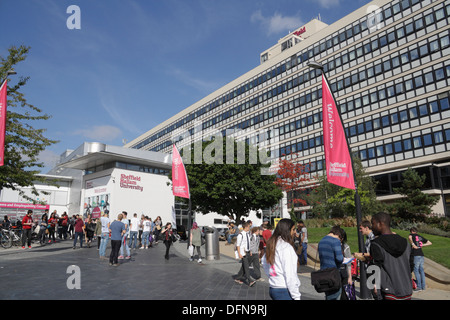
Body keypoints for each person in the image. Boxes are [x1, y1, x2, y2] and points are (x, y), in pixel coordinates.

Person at [370, 212, 413, 300]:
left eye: (373, 223)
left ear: (380, 224)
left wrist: (373, 285)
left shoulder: (376, 244)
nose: (371, 227)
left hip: (388, 292)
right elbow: (411, 265)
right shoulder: (405, 242)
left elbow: (374, 267)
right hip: (406, 290)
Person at [262, 218, 301, 300]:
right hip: (284, 289)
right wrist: (296, 297)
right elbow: (290, 274)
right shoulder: (286, 247)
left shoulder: (273, 243)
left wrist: (272, 275)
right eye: (293, 229)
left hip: (274, 287)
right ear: (287, 230)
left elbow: (264, 261)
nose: (295, 232)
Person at [317, 225, 344, 300]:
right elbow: (339, 258)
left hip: (323, 273)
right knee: (335, 295)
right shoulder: (335, 241)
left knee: (328, 295)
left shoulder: (321, 241)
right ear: (338, 235)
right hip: (333, 274)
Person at [409, 227, 432, 292]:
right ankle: (423, 286)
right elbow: (430, 243)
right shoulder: (420, 237)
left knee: (416, 270)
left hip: (415, 254)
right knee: (421, 270)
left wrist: (413, 244)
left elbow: (410, 238)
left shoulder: (411, 235)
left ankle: (419, 287)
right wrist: (421, 245)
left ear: (412, 231)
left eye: (411, 231)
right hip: (421, 255)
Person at [339, 229, 353, 300]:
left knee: (344, 295)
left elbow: (349, 263)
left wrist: (350, 277)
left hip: (344, 273)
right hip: (334, 274)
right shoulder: (332, 245)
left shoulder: (345, 247)